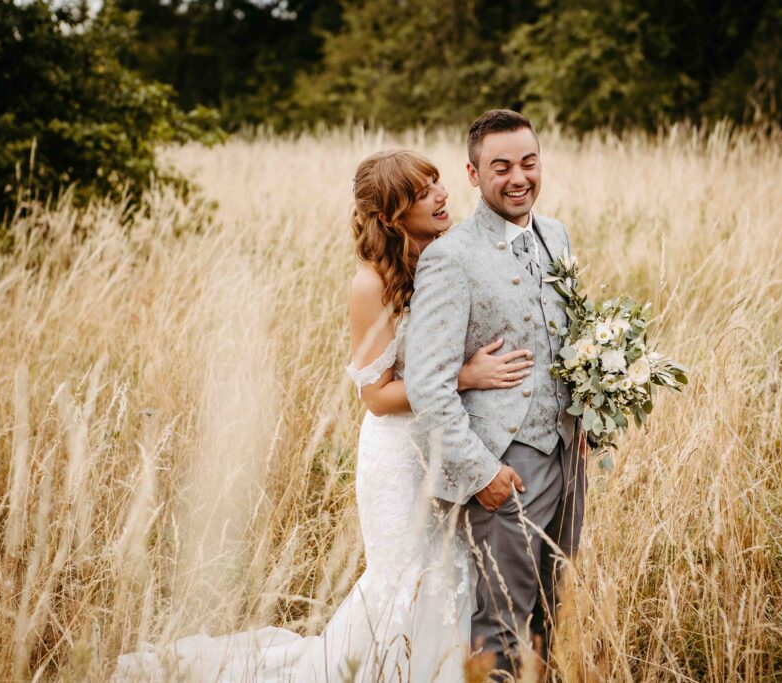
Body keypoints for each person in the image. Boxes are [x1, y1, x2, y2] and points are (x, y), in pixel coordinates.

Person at [112, 149, 535, 682]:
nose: (442, 194)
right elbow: (376, 396)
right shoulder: (372, 283)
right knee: (408, 579)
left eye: (437, 182)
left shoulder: (450, 256)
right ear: (390, 215)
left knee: (452, 574)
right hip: (399, 455)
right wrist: (464, 377)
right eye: (424, 191)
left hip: (447, 444)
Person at [405, 109, 587, 678]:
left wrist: (586, 424)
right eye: (501, 166)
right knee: (502, 620)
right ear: (473, 172)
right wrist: (481, 472)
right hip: (504, 465)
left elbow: (571, 338)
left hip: (567, 453)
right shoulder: (449, 257)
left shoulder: (555, 233)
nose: (518, 178)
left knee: (556, 612)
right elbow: (427, 385)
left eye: (528, 163)